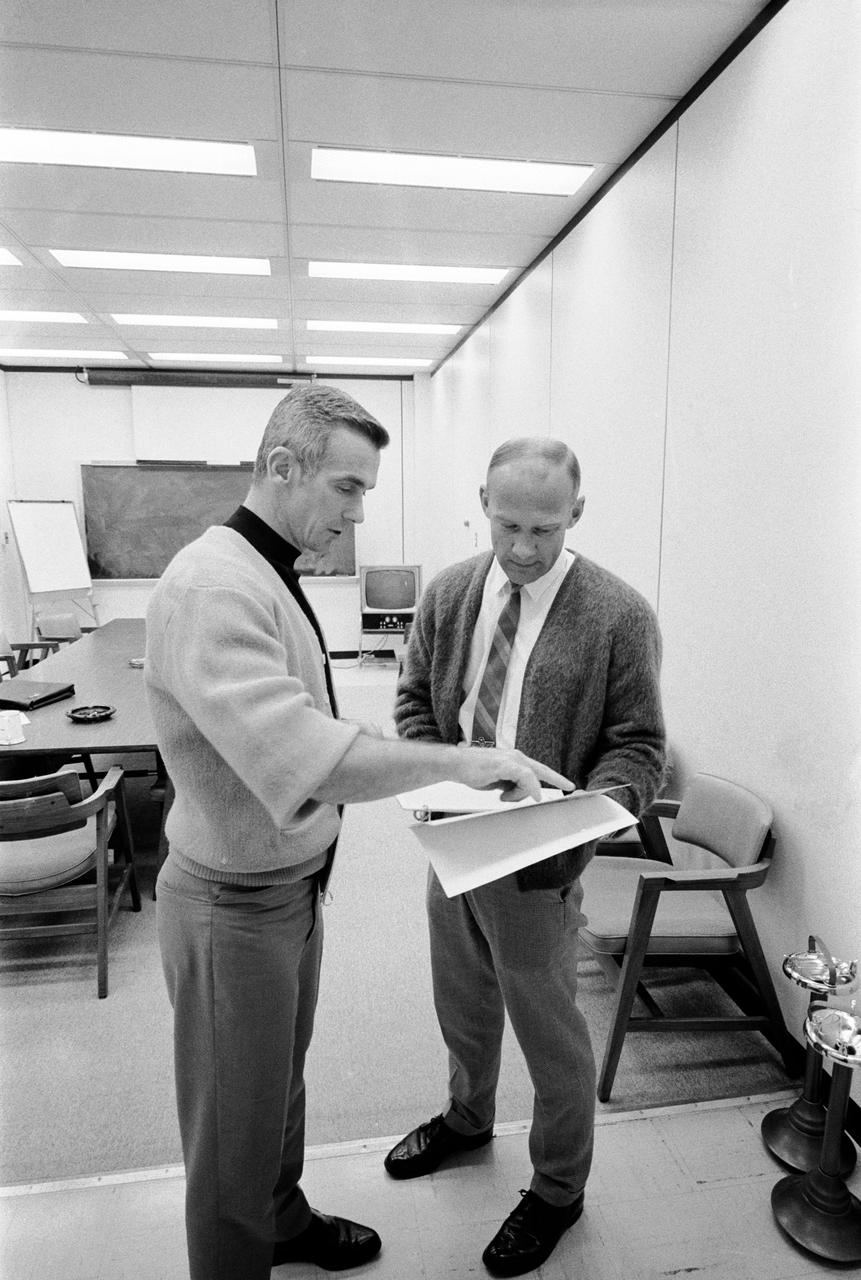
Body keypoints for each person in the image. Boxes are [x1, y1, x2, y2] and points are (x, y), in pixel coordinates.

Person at [145, 388, 574, 1280]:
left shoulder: (266, 570)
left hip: (286, 889)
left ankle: (281, 1220)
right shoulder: (211, 585)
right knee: (233, 1129)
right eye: (347, 487)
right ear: (281, 466)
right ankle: (242, 1242)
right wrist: (461, 763)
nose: (358, 511)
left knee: (275, 1091)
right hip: (233, 903)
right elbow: (311, 757)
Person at [385, 437, 666, 1277]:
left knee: (551, 1039)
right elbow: (412, 701)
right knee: (461, 1007)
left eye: (542, 529)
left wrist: (575, 821)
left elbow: (640, 749)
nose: (520, 547)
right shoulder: (449, 592)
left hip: (539, 869)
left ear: (575, 514)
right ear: (483, 501)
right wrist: (439, 777)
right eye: (505, 524)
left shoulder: (617, 615)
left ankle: (555, 1188)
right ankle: (467, 1120)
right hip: (449, 840)